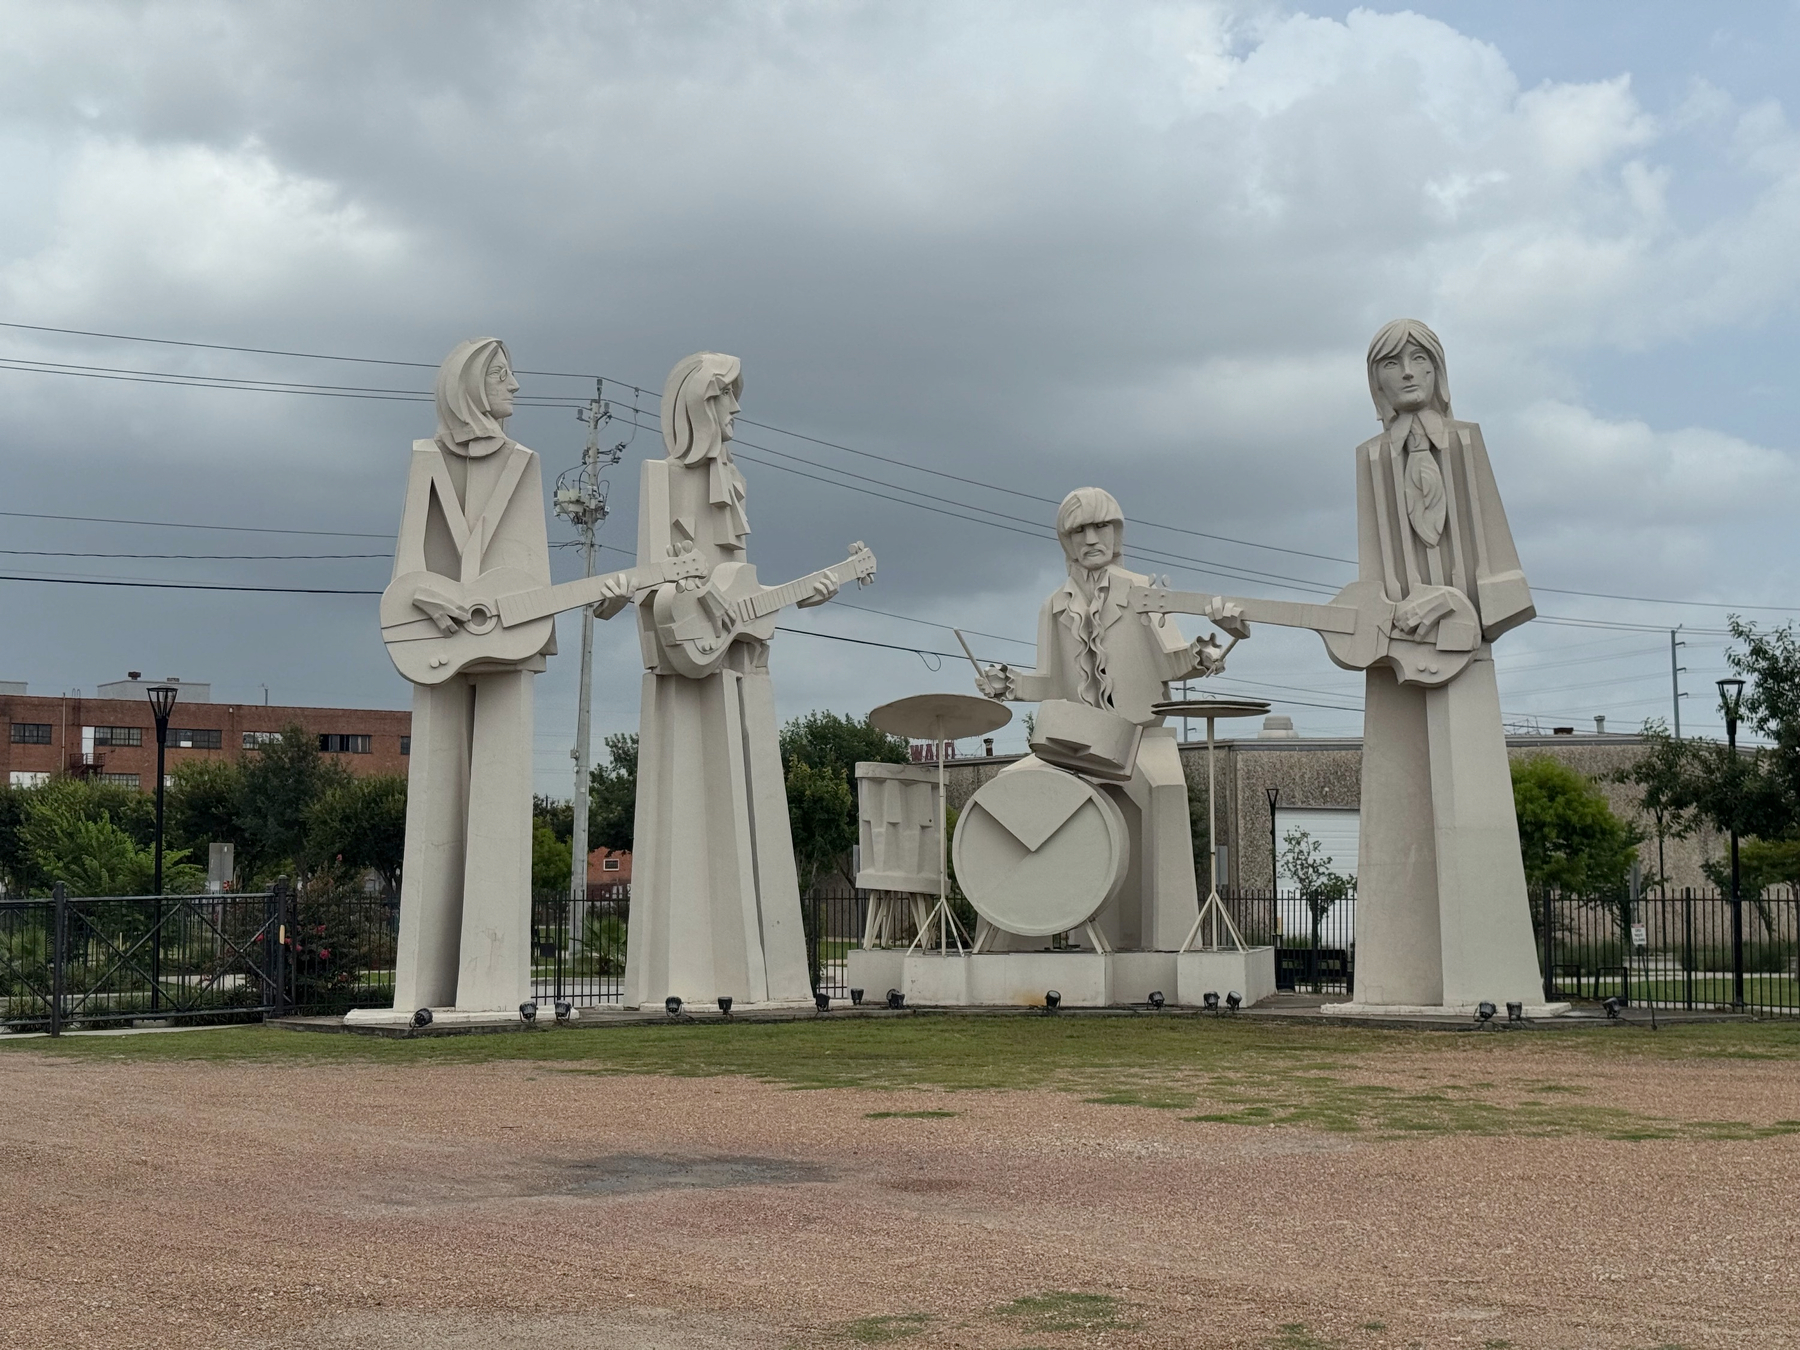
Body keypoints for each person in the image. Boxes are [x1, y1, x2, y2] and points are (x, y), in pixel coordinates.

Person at [621, 352, 837, 1008]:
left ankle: (773, 983)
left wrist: (798, 595)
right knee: (687, 808)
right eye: (722, 399)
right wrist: (682, 603)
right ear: (694, 408)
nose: (734, 412)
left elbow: (742, 585)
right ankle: (682, 986)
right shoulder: (661, 479)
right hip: (685, 674)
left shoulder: (733, 483)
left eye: (734, 399)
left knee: (756, 809)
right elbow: (648, 586)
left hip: (741, 669)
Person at [1348, 318, 1544, 1008]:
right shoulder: (1372, 458)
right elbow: (1373, 563)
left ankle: (1488, 983)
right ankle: (1386, 986)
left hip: (1462, 641)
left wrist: (1461, 609)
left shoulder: (1463, 443)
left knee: (1473, 807)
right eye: (1390, 364)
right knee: (1395, 796)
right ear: (1374, 379)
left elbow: (1493, 541)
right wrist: (1383, 617)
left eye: (1417, 360)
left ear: (1437, 370)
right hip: (1399, 647)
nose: (1405, 373)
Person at [975, 487, 1247, 951]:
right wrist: (1010, 684)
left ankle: (1173, 946)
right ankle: (1003, 943)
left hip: (1142, 735)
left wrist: (1214, 650)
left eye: (1102, 526)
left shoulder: (1143, 592)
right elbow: (1050, 681)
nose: (1092, 538)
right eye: (1079, 529)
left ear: (1117, 532)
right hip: (1073, 743)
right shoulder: (1053, 607)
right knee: (1007, 790)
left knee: (1166, 789)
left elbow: (1173, 663)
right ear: (1066, 539)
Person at [384, 338, 554, 1013]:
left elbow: (531, 570)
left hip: (509, 640)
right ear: (470, 387)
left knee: (502, 804)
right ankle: (421, 990)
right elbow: (408, 567)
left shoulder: (525, 463)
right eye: (502, 374)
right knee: (434, 794)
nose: (515, 384)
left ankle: (492, 987)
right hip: (434, 641)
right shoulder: (427, 460)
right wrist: (434, 600)